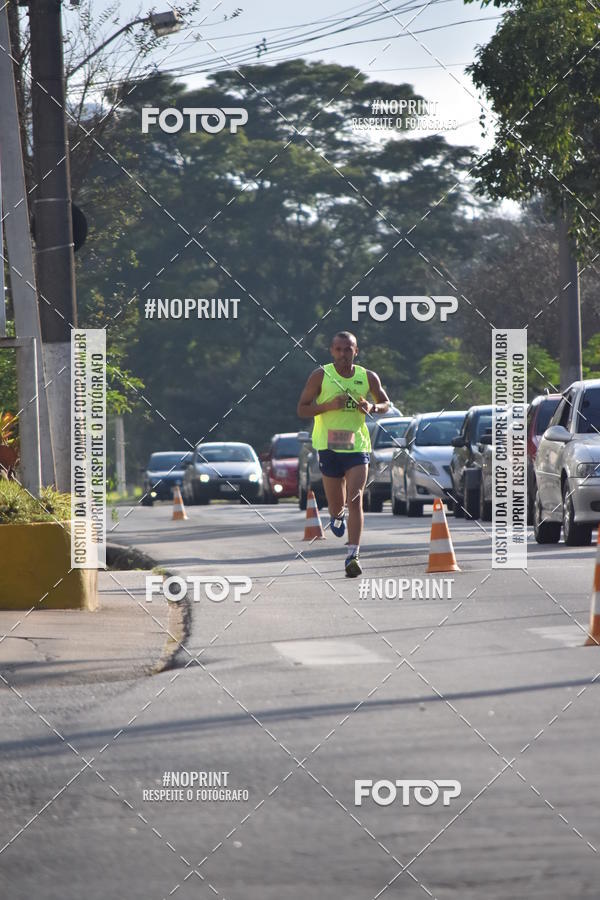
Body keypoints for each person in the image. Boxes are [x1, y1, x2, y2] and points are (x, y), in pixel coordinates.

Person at [297, 331, 390, 577]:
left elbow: (385, 403)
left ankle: (353, 555)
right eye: (338, 349)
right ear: (331, 351)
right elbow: (302, 409)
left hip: (357, 446)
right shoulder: (320, 375)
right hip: (328, 446)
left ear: (356, 351)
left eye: (348, 349)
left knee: (356, 497)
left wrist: (371, 407)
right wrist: (327, 406)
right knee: (336, 506)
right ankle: (337, 518)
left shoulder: (367, 377)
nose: (343, 354)